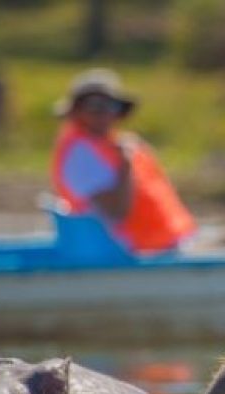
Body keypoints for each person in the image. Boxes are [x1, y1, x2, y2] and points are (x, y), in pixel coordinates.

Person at [51, 68, 196, 254]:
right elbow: (115, 211)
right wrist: (125, 165)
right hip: (130, 254)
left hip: (165, 247)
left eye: (111, 105)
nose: (103, 112)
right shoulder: (81, 155)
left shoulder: (115, 144)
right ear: (76, 110)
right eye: (95, 105)